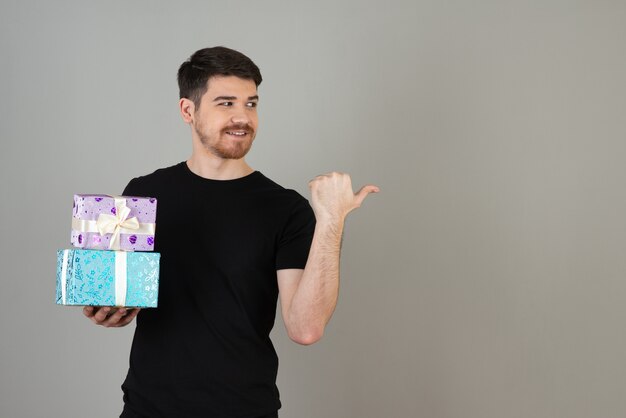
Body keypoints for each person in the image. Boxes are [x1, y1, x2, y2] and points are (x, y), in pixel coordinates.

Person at [83, 46, 379, 418]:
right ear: (188, 111)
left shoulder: (286, 209)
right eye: (226, 103)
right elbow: (116, 292)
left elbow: (306, 328)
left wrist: (332, 221)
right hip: (148, 407)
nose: (243, 117)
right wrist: (107, 308)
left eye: (251, 104)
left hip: (244, 409)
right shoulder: (144, 195)